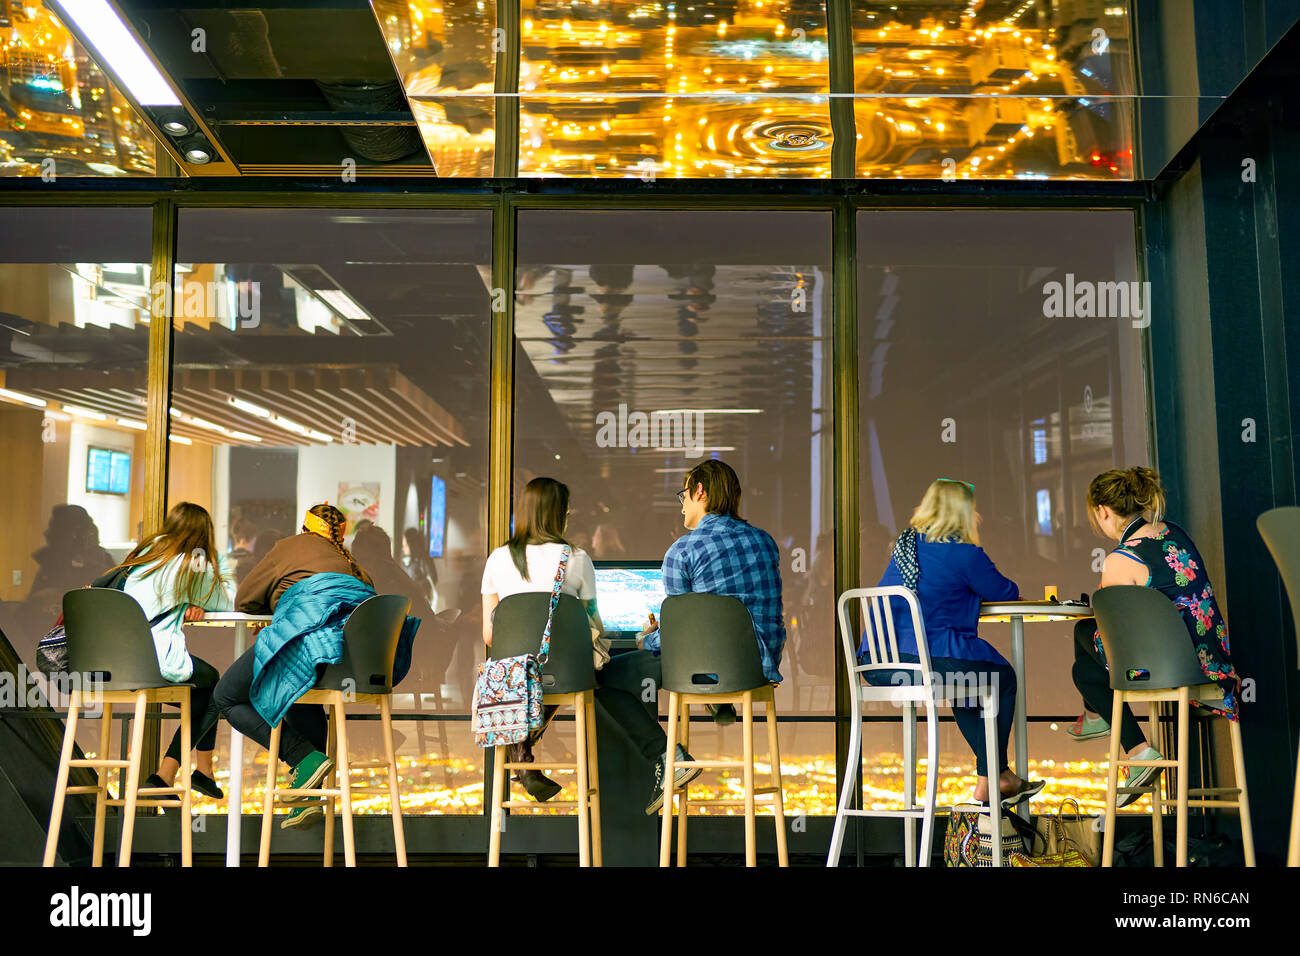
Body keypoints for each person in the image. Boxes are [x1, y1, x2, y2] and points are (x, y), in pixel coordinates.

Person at [1067, 466, 1241, 806]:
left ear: (1103, 511)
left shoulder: (1121, 559)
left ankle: (1130, 744)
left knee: (1083, 638)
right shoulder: (1176, 533)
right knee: (1086, 671)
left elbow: (1114, 640)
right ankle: (1102, 723)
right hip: (1213, 666)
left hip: (1159, 673)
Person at [866, 479, 1043, 808]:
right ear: (966, 513)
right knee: (1002, 679)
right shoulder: (963, 553)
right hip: (926, 662)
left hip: (881, 666)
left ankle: (996, 778)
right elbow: (1004, 592)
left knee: (969, 683)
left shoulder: (906, 547)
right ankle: (994, 778)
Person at [215, 503, 379, 830]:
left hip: (307, 642)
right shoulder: (352, 564)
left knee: (227, 697)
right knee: (299, 693)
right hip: (348, 664)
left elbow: (245, 600)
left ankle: (302, 756)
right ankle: (307, 799)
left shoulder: (288, 547)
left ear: (304, 528)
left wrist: (279, 611)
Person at [634, 459, 785, 811]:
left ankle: (669, 759)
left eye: (683, 495)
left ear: (699, 492)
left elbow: (677, 638)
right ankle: (717, 697)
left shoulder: (682, 552)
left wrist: (647, 640)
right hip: (757, 667)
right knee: (708, 649)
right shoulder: (765, 542)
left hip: (703, 666)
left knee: (617, 675)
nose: (682, 504)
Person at [116, 502, 234, 800]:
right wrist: (203, 594)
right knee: (216, 691)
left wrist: (188, 600)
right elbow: (227, 601)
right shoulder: (192, 563)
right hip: (154, 661)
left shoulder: (147, 554)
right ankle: (171, 774)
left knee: (205, 691)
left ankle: (194, 773)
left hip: (118, 659)